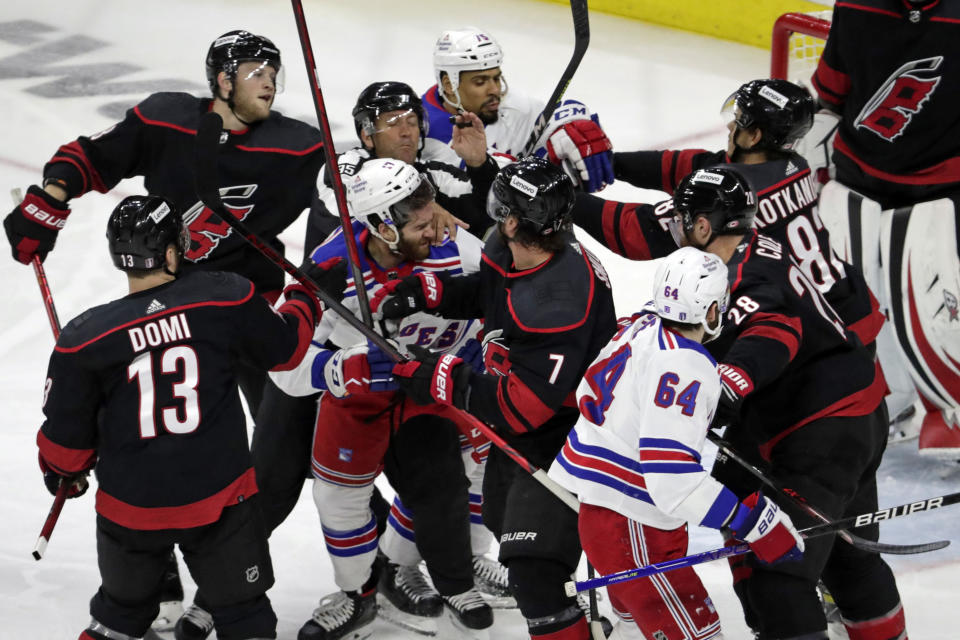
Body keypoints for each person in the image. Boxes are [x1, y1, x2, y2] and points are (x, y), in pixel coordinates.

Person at [254, 79, 514, 610]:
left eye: (412, 119)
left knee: (465, 470)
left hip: (426, 385)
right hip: (352, 386)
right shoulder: (333, 260)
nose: (433, 227)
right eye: (391, 122)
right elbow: (283, 361)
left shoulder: (451, 242)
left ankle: (432, 568)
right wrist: (336, 370)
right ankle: (265, 587)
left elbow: (500, 293)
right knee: (304, 487)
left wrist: (486, 347)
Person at [35, 194, 342, 640]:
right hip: (219, 501)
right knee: (245, 616)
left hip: (131, 511)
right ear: (174, 251)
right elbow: (286, 350)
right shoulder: (224, 296)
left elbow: (65, 450)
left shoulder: (83, 339)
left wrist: (66, 475)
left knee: (118, 619)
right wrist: (305, 294)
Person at [378, 157, 619, 640]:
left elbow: (522, 407)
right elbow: (494, 293)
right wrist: (433, 291)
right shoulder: (519, 247)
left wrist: (445, 376)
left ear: (512, 220)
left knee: (534, 570)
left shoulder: (559, 302)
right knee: (498, 519)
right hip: (529, 425)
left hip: (568, 437)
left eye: (501, 205)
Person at [548, 246, 804, 640]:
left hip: (604, 519)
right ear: (712, 310)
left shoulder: (639, 325)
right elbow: (672, 480)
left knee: (637, 632)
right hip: (635, 527)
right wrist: (751, 524)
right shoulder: (684, 366)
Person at [806, 0, 960, 460]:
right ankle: (879, 404)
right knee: (842, 306)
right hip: (855, 179)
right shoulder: (856, 4)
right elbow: (830, 94)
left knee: (930, 308)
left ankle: (948, 409)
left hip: (941, 192)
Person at [421, 27, 614, 204]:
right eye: (480, 82)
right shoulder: (420, 133)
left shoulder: (509, 105)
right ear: (449, 84)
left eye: (496, 77)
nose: (495, 89)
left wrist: (573, 123)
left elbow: (552, 120)